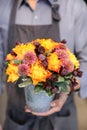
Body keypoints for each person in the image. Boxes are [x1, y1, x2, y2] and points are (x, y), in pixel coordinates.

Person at [0, 0, 87, 130]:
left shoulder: (74, 6)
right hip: (17, 119)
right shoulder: (3, 7)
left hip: (62, 119)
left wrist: (66, 89)